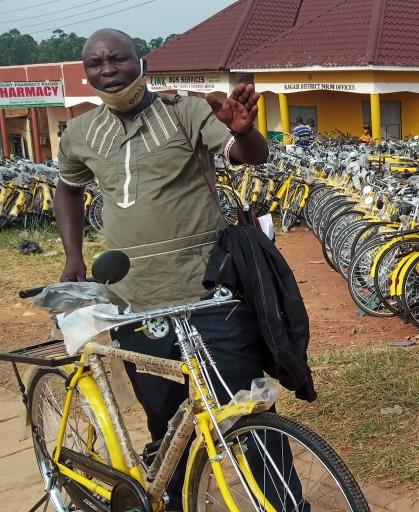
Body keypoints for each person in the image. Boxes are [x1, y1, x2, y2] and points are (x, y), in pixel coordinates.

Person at [53, 29, 282, 512]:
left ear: (142, 62)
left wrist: (244, 132)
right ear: (86, 72)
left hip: (210, 292)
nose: (108, 70)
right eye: (95, 63)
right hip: (135, 301)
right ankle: (177, 501)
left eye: (118, 58)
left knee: (248, 409)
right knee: (165, 419)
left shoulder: (186, 112)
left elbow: (248, 156)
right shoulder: (79, 132)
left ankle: (284, 502)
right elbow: (68, 189)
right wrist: (74, 256)